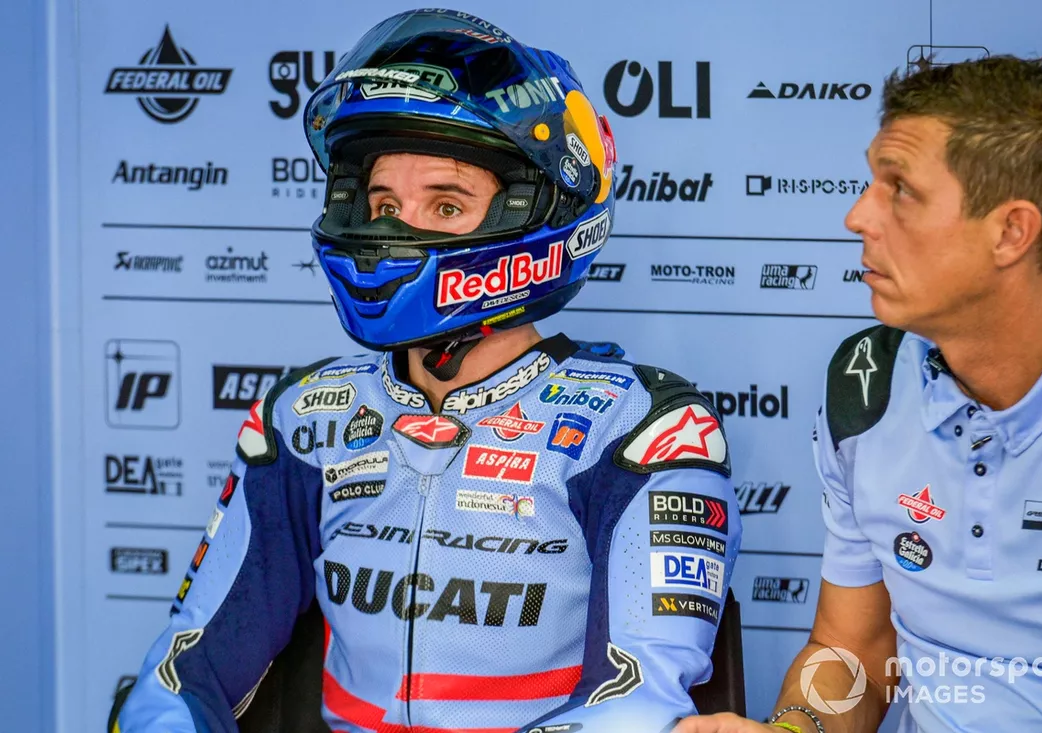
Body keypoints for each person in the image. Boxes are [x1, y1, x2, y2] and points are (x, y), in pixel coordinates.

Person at [115, 9, 741, 733]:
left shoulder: (642, 430)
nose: (393, 230)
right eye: (383, 203)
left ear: (540, 210)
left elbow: (637, 703)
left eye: (444, 204)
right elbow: (182, 673)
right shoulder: (305, 417)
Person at [675, 55, 1042, 733]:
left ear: (1011, 232)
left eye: (900, 189)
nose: (857, 216)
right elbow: (857, 652)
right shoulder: (866, 383)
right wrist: (796, 730)